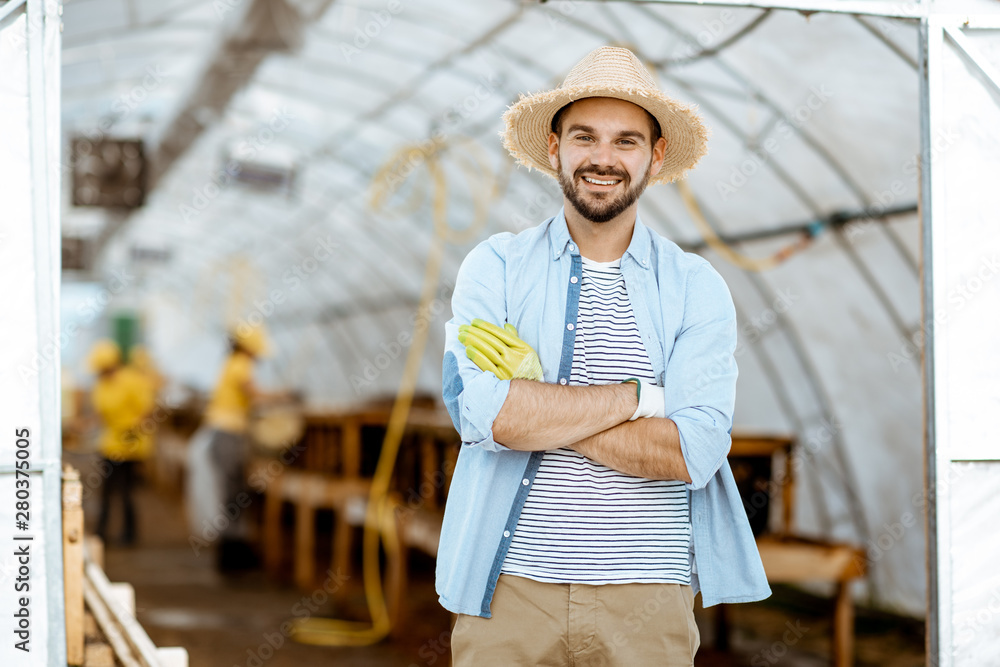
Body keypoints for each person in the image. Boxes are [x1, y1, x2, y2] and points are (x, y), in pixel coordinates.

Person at [438, 47, 770, 666]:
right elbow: (483, 416)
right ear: (556, 148)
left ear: (656, 155)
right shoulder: (497, 266)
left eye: (626, 140)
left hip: (647, 594)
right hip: (510, 588)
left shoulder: (696, 287)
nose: (603, 158)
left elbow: (691, 450)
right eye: (585, 136)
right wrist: (642, 398)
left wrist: (541, 409)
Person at [198, 324, 270, 571]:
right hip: (228, 435)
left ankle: (233, 553)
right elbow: (255, 395)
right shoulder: (240, 364)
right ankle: (232, 556)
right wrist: (285, 397)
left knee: (232, 492)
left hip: (223, 434)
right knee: (233, 493)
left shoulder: (230, 363)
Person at [89, 339, 156, 546]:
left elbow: (147, 411)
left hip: (130, 446)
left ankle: (129, 534)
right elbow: (100, 415)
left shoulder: (132, 381)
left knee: (126, 491)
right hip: (110, 444)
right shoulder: (101, 386)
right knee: (108, 491)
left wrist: (132, 432)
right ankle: (102, 532)